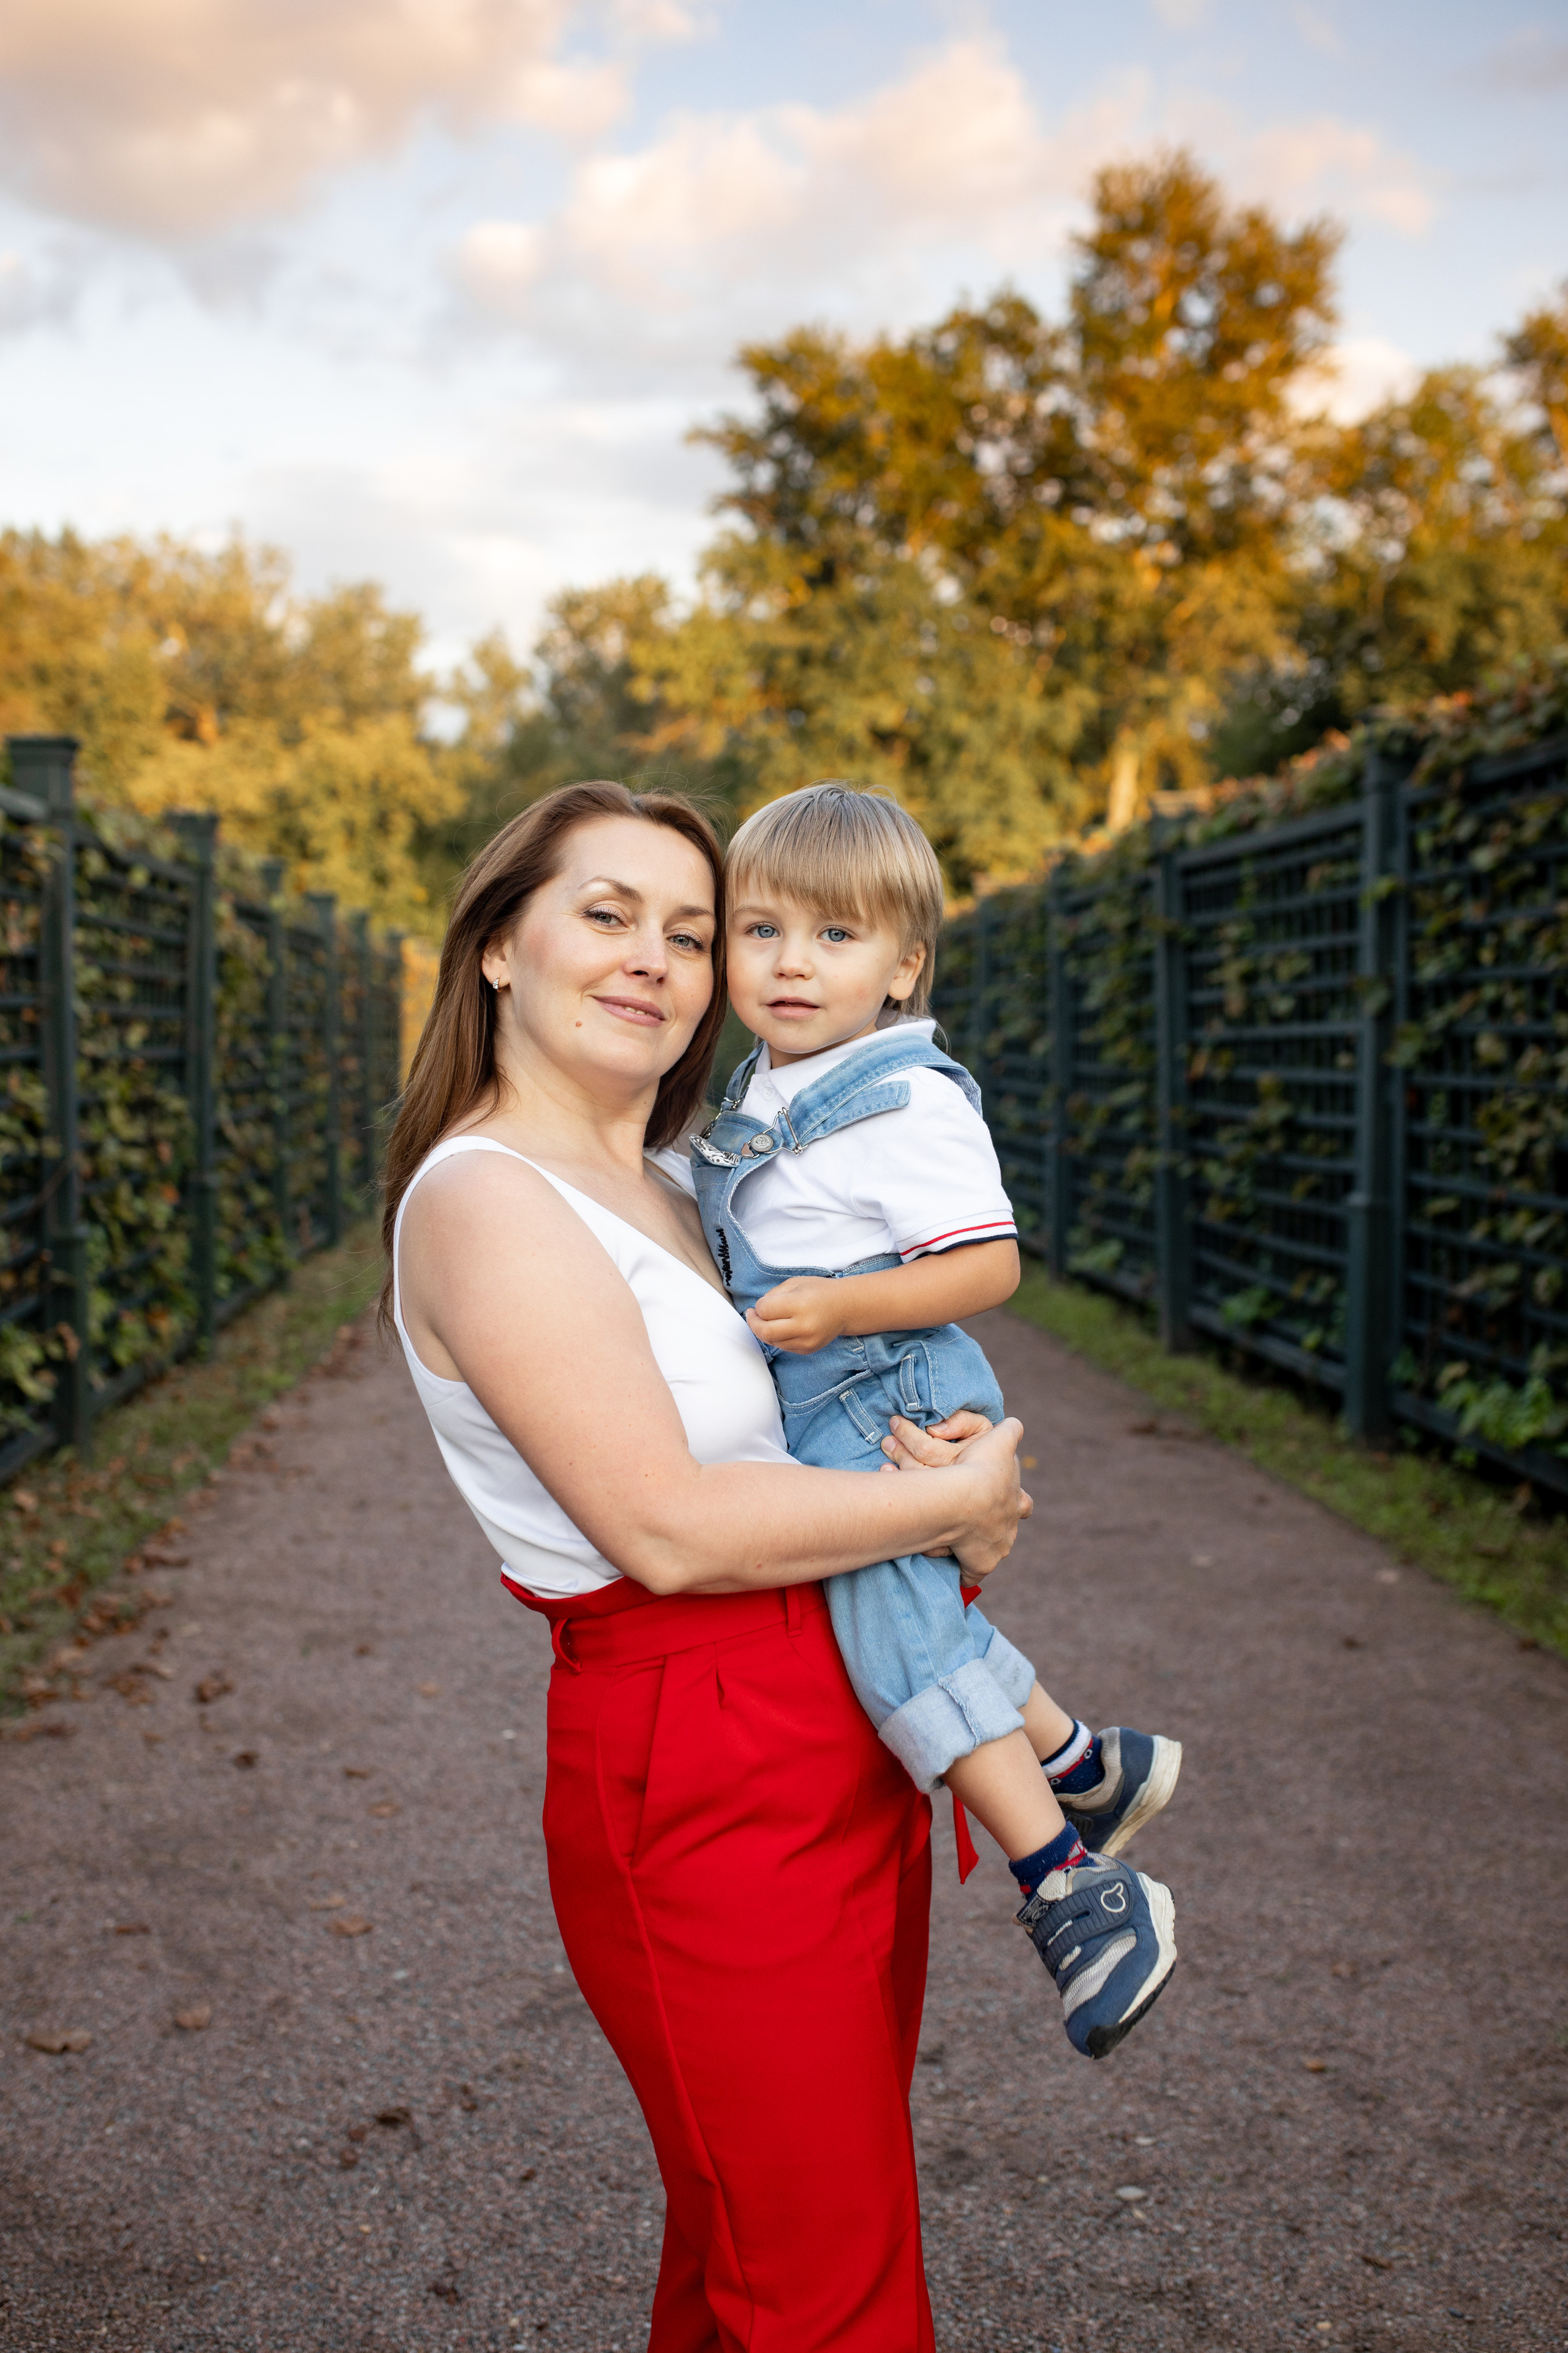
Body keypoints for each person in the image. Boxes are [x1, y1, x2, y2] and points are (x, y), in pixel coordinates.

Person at [384, 779, 1036, 2351]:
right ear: (496, 947)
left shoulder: (689, 1183)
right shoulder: (484, 1197)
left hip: (837, 1728)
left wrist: (954, 1481)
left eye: (690, 929)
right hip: (696, 1758)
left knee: (773, 2242)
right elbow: (665, 1526)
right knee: (823, 2287)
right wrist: (945, 1509)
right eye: (605, 914)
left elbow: (824, 1426)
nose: (655, 960)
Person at [666, 782, 1178, 2060]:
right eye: (761, 929)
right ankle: (1073, 1757)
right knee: (901, 1610)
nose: (791, 963)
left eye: (835, 937)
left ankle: (1072, 1880)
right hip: (845, 1385)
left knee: (890, 1642)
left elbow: (989, 1264)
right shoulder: (771, 1080)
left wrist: (845, 1304)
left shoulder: (905, 1099)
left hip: (880, 1384)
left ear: (904, 964)